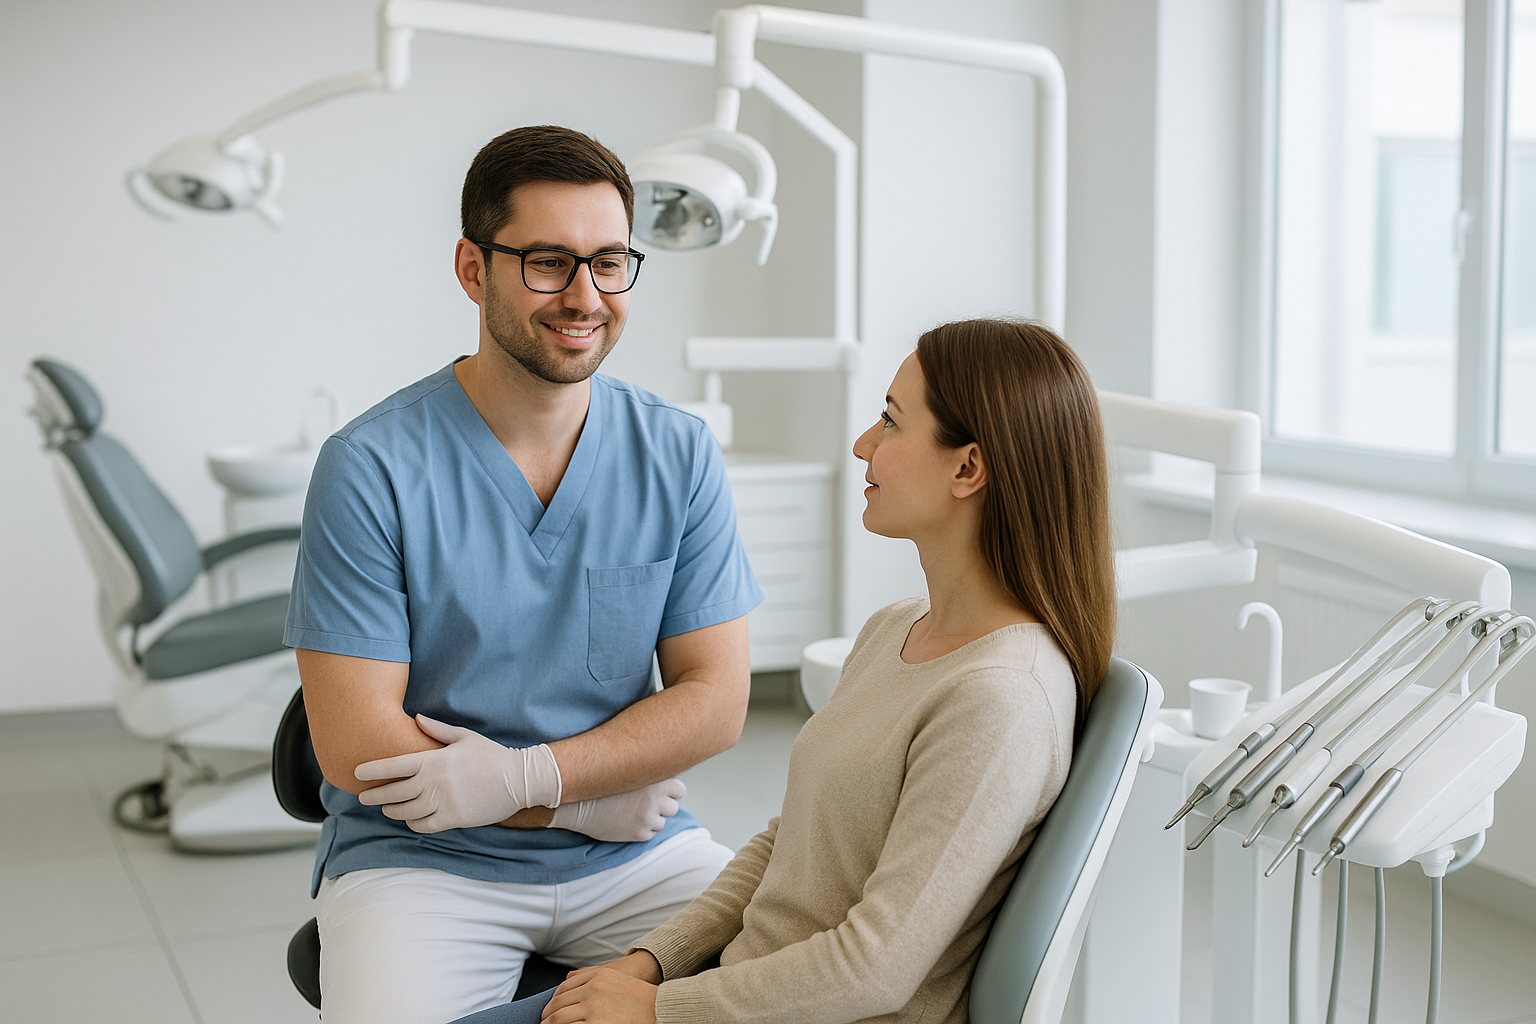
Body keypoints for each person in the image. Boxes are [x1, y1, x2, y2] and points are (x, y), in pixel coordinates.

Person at [449, 317, 1116, 1024]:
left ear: (967, 468)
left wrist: (659, 1009)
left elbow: (874, 970)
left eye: (890, 423)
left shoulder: (1001, 701)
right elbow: (785, 843)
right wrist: (650, 962)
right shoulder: (897, 627)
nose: (864, 445)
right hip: (734, 987)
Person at [284, 124, 763, 1024]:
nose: (585, 295)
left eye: (609, 261)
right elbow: (354, 745)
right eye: (547, 262)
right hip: (423, 863)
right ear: (473, 269)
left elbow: (715, 700)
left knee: (793, 994)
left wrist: (531, 778)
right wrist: (567, 806)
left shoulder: (677, 451)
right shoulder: (373, 466)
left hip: (640, 853)